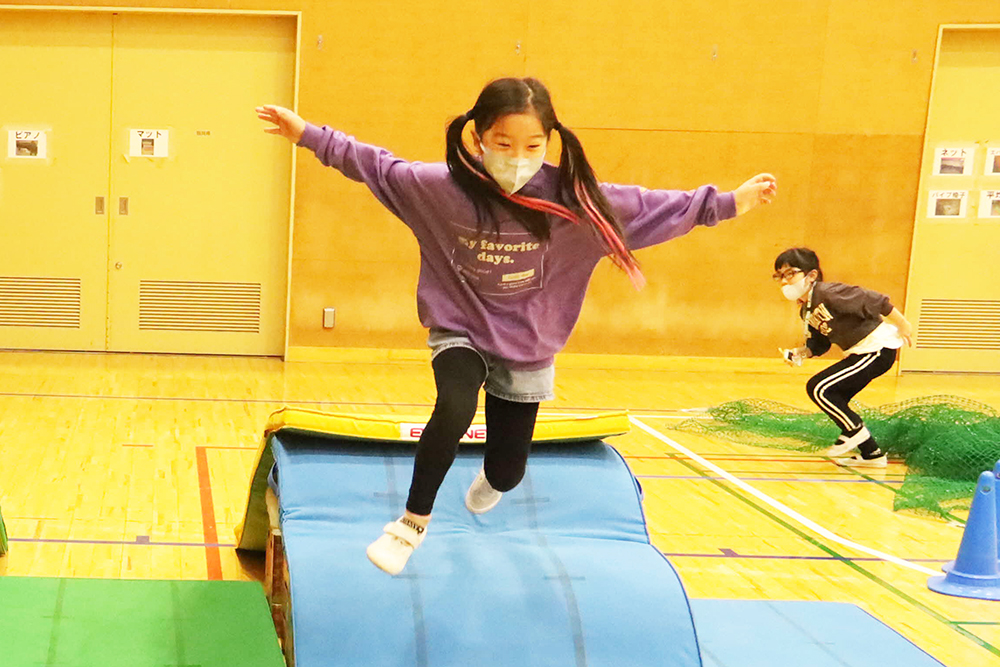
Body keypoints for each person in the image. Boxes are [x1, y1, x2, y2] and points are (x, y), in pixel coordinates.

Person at [257, 77, 777, 575]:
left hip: (527, 343)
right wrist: (307, 133)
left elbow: (658, 206)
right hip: (459, 327)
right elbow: (374, 164)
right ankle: (409, 526)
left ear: (550, 142)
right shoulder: (439, 189)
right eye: (503, 142)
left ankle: (494, 477)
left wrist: (730, 202)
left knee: (508, 471)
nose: (517, 157)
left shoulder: (576, 201)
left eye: (532, 145)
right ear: (478, 137)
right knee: (454, 406)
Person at [774, 247, 913, 468]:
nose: (784, 281)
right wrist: (801, 353)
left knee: (819, 388)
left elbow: (877, 301)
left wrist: (903, 324)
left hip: (876, 349)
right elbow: (820, 344)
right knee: (831, 394)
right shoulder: (806, 310)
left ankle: (854, 432)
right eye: (779, 276)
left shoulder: (829, 293)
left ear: (811, 275)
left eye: (790, 273)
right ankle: (872, 454)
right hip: (859, 353)